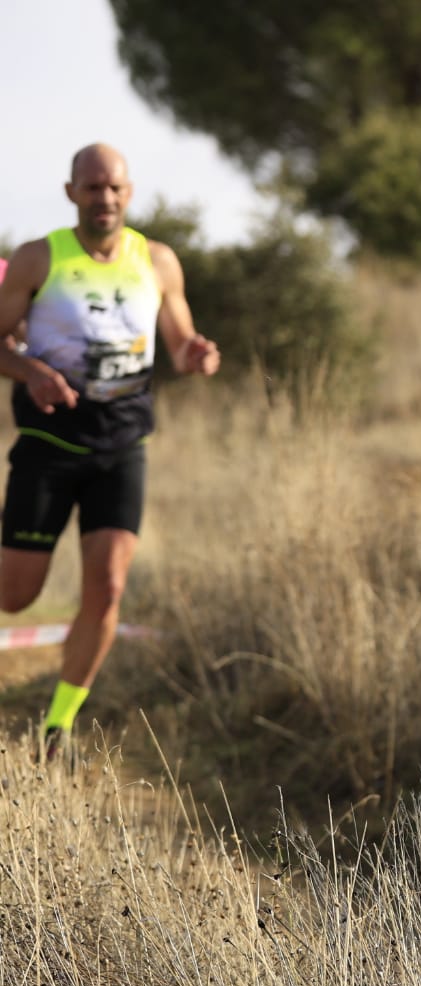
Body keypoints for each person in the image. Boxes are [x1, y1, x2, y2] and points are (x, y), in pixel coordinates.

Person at [0, 143, 220, 758]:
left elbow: (178, 342)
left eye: (115, 188)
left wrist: (193, 357)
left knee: (110, 585)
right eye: (93, 188)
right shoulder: (39, 258)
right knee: (14, 596)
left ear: (129, 193)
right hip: (49, 442)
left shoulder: (157, 261)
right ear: (72, 193)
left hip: (123, 442)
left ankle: (58, 725)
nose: (105, 199)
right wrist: (32, 374)